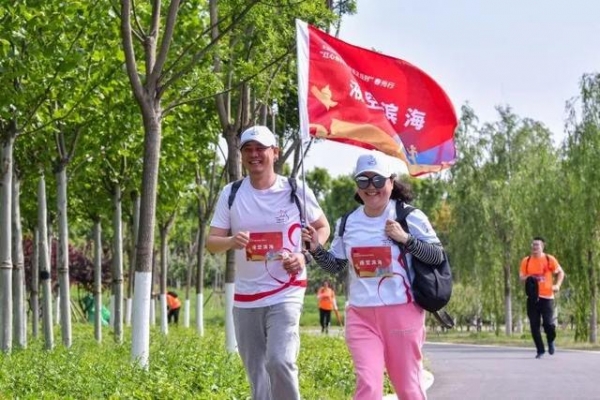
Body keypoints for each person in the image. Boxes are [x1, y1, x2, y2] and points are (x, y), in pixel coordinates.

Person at [302, 151, 443, 400]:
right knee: (368, 385)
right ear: (356, 185)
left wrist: (406, 239)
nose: (371, 188)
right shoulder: (348, 222)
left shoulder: (409, 216)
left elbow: (437, 256)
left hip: (401, 312)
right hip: (361, 315)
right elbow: (335, 265)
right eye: (363, 181)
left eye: (378, 181)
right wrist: (315, 248)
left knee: (408, 387)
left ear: (391, 181)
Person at [206, 125, 330, 400]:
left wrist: (304, 256)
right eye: (247, 150)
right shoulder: (232, 193)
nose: (254, 155)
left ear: (274, 153)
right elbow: (212, 242)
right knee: (257, 374)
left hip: (287, 290)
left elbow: (323, 228)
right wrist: (231, 242)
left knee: (279, 360)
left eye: (260, 149)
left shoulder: (295, 189)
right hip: (247, 296)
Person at [519, 236, 565, 359]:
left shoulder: (549, 259)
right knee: (534, 325)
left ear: (542, 247)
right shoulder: (526, 261)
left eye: (537, 245)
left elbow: (560, 272)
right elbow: (521, 278)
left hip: (547, 297)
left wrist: (558, 285)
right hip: (532, 298)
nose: (534, 247)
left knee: (548, 324)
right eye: (533, 245)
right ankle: (540, 350)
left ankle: (550, 340)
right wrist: (530, 277)